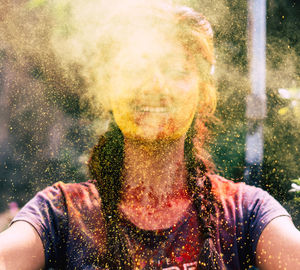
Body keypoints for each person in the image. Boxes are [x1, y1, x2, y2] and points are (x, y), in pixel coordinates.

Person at [0, 3, 300, 270]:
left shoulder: (244, 212)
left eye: (175, 70)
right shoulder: (61, 213)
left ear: (203, 94)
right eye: (134, 68)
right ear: (105, 90)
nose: (154, 85)